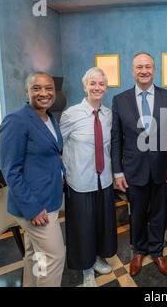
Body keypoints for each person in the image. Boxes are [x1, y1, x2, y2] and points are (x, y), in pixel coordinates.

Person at [111, 52, 167, 277]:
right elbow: (116, 139)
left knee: (159, 213)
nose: (143, 71)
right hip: (133, 169)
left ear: (154, 69)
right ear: (132, 71)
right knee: (138, 213)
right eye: (139, 67)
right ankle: (139, 251)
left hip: (162, 169)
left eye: (147, 66)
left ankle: (157, 251)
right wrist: (117, 171)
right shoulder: (120, 100)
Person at [0, 72, 65, 287]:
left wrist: (61, 173)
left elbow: (53, 153)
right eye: (37, 88)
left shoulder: (49, 117)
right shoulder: (16, 121)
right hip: (35, 206)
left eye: (49, 88)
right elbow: (11, 170)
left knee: (37, 256)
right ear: (26, 91)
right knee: (54, 257)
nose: (44, 93)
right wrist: (32, 208)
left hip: (49, 197)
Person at [60, 67, 117, 287]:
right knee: (83, 226)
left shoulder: (109, 115)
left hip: (104, 180)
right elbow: (59, 145)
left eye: (101, 84)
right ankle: (86, 268)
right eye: (92, 83)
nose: (97, 87)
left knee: (101, 224)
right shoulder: (70, 114)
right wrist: (64, 173)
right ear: (85, 86)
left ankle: (97, 257)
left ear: (106, 87)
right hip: (80, 182)